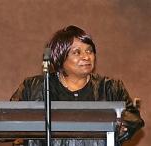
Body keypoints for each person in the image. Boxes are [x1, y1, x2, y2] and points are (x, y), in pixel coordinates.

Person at [10, 25, 144, 146]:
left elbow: (132, 118)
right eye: (77, 52)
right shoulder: (33, 87)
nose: (86, 57)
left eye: (89, 51)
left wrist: (122, 127)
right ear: (60, 57)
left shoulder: (110, 88)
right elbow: (4, 121)